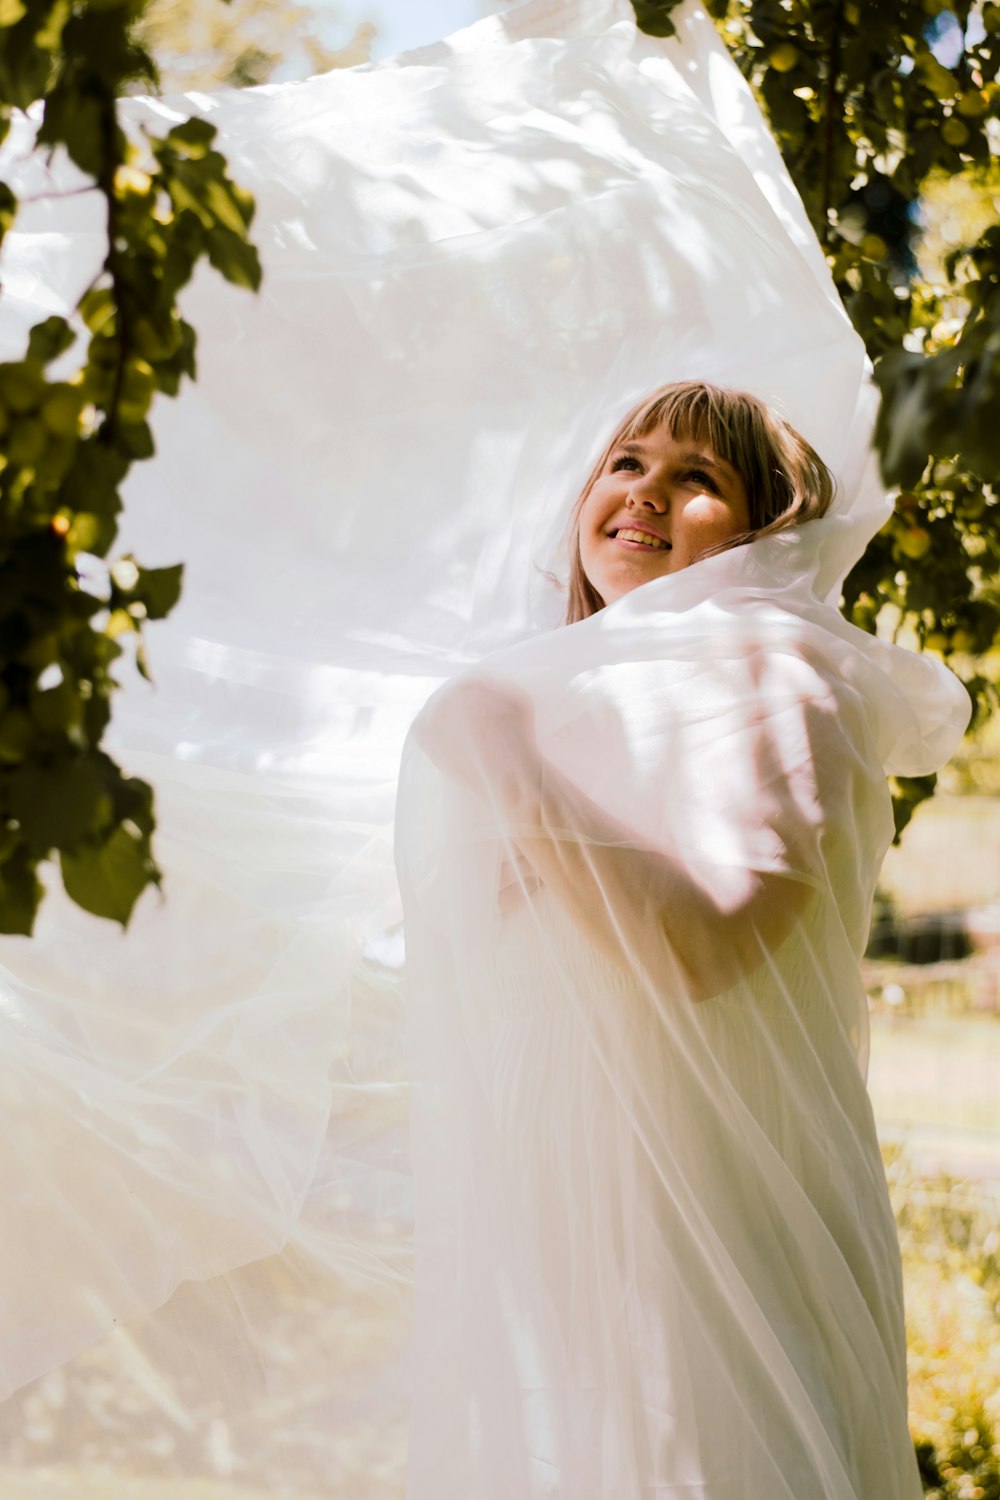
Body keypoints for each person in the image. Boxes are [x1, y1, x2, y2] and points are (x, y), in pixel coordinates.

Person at [394, 380, 954, 1499]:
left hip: (719, 1254)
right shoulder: (580, 705)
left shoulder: (785, 680)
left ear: (763, 532)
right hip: (569, 1249)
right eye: (626, 463)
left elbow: (703, 950)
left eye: (697, 477)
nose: (645, 491)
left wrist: (504, 757)